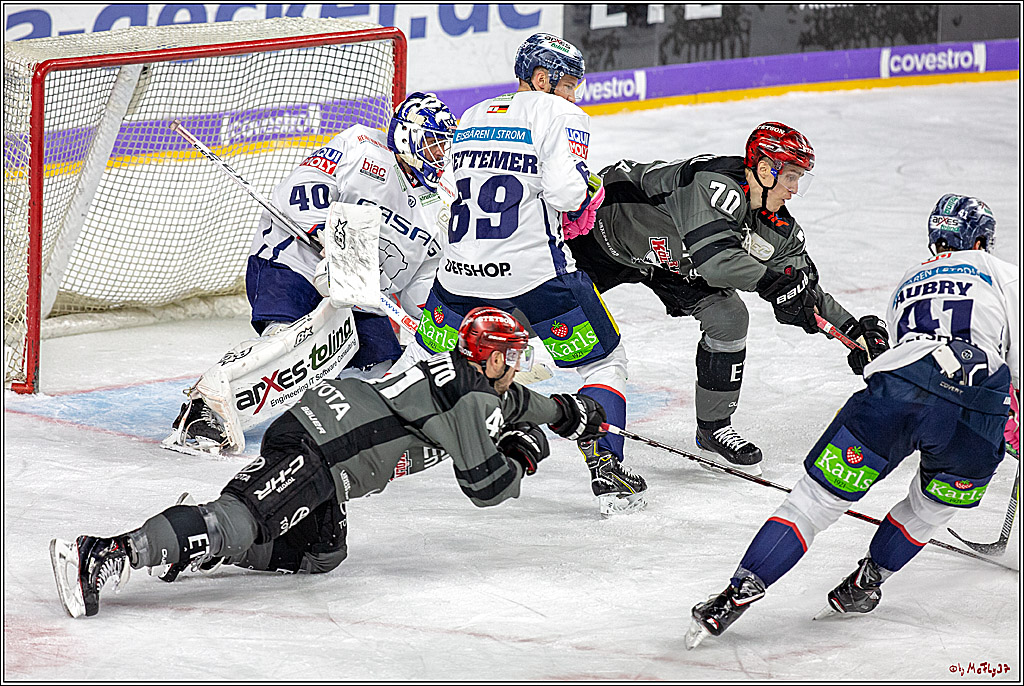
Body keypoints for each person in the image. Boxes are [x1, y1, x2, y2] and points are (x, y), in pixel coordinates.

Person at [50, 307, 610, 618]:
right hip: (323, 448)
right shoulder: (473, 397)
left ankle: (206, 540)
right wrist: (523, 455)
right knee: (240, 520)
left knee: (320, 553)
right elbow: (485, 485)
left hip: (321, 430)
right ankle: (104, 551)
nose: (518, 363)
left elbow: (514, 403)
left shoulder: (465, 378)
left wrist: (568, 412)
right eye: (511, 355)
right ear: (489, 357)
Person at [684, 194, 1018, 649]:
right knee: (930, 509)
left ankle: (734, 596)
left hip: (897, 394)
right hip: (976, 413)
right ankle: (866, 581)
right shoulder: (1003, 273)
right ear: (981, 239)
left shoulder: (911, 279)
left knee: (809, 506)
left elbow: (909, 353)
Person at [388, 33, 647, 516]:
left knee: (421, 357)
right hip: (538, 280)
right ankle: (605, 463)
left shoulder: (471, 116)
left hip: (459, 278)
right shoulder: (561, 114)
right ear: (542, 79)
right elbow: (568, 194)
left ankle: (377, 443)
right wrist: (589, 191)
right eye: (568, 83)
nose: (574, 95)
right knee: (602, 363)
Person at [564, 122, 885, 476]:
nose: (794, 190)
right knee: (525, 313)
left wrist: (854, 334)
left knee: (730, 316)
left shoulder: (776, 226)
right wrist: (773, 284)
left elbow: (803, 290)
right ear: (764, 169)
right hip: (595, 230)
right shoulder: (715, 184)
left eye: (799, 179)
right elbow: (716, 262)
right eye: (791, 177)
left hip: (666, 262)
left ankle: (713, 427)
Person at [166, 92, 457, 454]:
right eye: (432, 144)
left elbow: (422, 282)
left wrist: (441, 322)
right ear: (406, 138)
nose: (439, 155)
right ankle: (205, 407)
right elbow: (300, 191)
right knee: (290, 343)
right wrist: (336, 246)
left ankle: (336, 425)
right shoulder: (361, 147)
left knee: (380, 368)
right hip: (295, 262)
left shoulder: (443, 203)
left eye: (444, 146)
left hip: (359, 293)